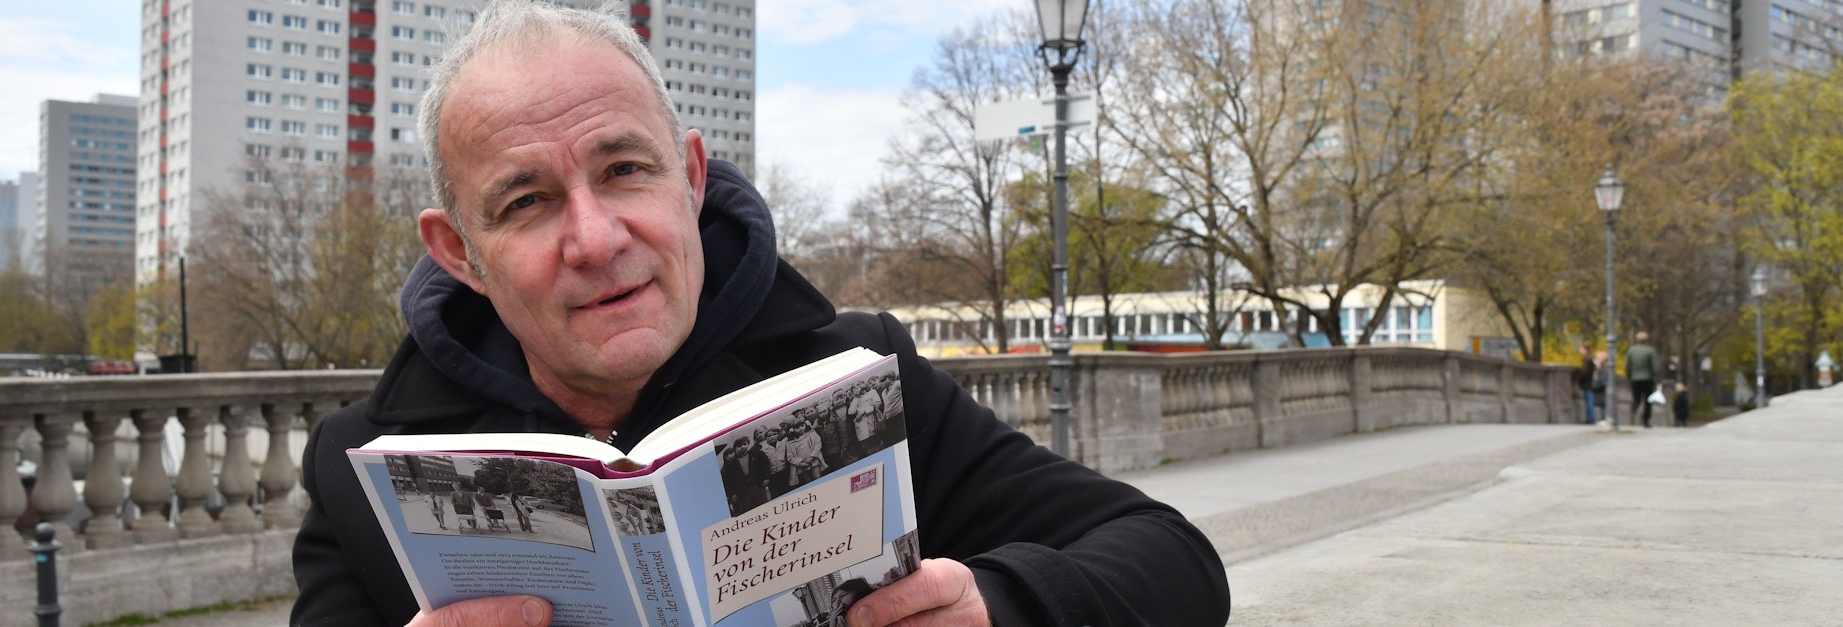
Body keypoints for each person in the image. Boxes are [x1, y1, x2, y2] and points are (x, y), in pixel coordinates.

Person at [290, 3, 1228, 626]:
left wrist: (1003, 601)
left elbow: (1177, 563)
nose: (595, 236)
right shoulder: (361, 469)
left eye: (625, 169)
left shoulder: (860, 373)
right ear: (460, 253)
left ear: (691, 177)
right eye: (524, 201)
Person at [1626, 331, 1661, 428]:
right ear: (1647, 340)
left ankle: (1632, 413)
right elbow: (1655, 366)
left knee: (1636, 399)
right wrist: (1658, 378)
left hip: (1635, 378)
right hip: (1647, 378)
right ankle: (1646, 420)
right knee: (1648, 400)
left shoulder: (1631, 351)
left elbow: (1628, 366)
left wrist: (1629, 376)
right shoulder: (1650, 351)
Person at [1576, 344, 1598, 424]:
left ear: (1586, 350)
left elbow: (1585, 372)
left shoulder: (1588, 359)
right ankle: (1590, 418)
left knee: (1589, 401)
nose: (1580, 351)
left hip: (1587, 383)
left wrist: (1579, 377)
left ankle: (1591, 418)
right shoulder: (1590, 359)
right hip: (1588, 383)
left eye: (1581, 349)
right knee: (1589, 400)